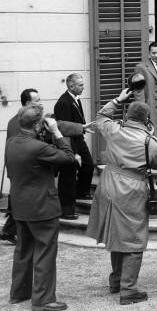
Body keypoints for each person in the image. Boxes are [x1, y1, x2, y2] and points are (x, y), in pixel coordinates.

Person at [86, 87, 157, 305]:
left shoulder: (114, 129)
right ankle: (128, 290)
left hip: (108, 183)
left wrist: (117, 99)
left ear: (127, 115)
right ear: (146, 119)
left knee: (116, 234)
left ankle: (117, 280)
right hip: (132, 188)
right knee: (133, 238)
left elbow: (101, 116)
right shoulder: (150, 141)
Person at [5, 103, 75, 311]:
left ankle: (19, 292)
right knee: (45, 251)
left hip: (20, 205)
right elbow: (68, 158)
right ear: (37, 125)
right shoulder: (38, 147)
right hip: (42, 207)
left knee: (23, 250)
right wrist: (56, 131)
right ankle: (43, 299)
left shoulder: (11, 142)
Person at [0, 88, 89, 244]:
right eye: (37, 100)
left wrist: (81, 128)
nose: (41, 103)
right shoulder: (18, 123)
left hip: (28, 170)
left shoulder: (26, 119)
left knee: (21, 201)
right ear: (28, 103)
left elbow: (57, 124)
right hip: (26, 171)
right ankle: (10, 231)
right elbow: (24, 149)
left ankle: (8, 231)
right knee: (23, 201)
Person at [54, 73, 95, 219]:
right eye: (80, 85)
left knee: (88, 165)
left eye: (83, 85)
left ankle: (81, 192)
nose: (83, 87)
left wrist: (83, 128)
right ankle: (66, 210)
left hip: (79, 138)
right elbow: (63, 129)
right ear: (71, 86)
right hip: (70, 142)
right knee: (68, 177)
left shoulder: (76, 99)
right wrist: (73, 152)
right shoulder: (63, 103)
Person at [134, 41, 157, 136]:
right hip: (149, 105)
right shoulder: (141, 67)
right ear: (149, 54)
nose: (156, 55)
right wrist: (142, 110)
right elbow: (138, 91)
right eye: (153, 53)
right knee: (150, 134)